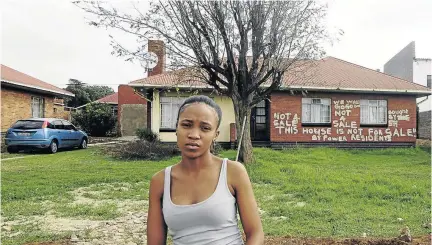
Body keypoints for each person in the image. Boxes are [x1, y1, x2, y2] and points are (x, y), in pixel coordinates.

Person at [147, 95, 264, 245]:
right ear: (176, 128)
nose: (194, 135)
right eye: (187, 125)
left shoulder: (233, 172)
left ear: (215, 134)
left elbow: (255, 233)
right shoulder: (160, 181)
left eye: (205, 128)